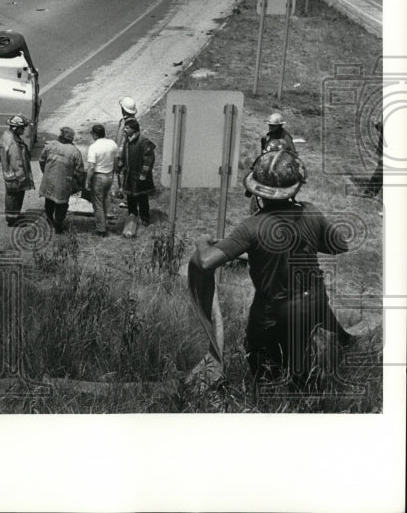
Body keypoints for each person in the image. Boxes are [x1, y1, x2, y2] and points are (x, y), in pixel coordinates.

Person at [191, 150, 353, 387]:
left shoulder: (251, 227)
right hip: (316, 304)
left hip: (273, 313)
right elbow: (339, 245)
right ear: (296, 187)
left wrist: (203, 241)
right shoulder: (311, 212)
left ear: (255, 191)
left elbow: (206, 262)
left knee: (264, 371)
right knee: (305, 372)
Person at [38, 126, 85, 234]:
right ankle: (58, 226)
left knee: (49, 201)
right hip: (64, 184)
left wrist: (46, 172)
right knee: (61, 205)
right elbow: (79, 171)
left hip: (49, 181)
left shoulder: (50, 145)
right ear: (71, 138)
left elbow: (41, 160)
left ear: (60, 136)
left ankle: (49, 221)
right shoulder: (75, 151)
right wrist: (78, 183)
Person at [118, 118, 156, 229]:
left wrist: (143, 174)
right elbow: (123, 155)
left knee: (142, 199)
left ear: (134, 130)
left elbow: (149, 159)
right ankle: (132, 218)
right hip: (129, 176)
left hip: (140, 176)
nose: (124, 129)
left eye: (127, 128)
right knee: (130, 198)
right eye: (125, 127)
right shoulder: (127, 140)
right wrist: (120, 165)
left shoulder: (144, 141)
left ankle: (145, 219)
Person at [85, 124, 119, 237]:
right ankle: (104, 223)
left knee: (97, 203)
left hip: (99, 176)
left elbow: (91, 167)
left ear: (95, 134)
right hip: (109, 176)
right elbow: (116, 160)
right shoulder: (112, 143)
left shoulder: (94, 147)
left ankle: (101, 229)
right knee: (105, 200)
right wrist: (113, 172)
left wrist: (87, 181)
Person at [0, 115, 34, 227]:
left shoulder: (7, 135)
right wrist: (22, 177)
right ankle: (12, 220)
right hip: (15, 175)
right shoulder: (13, 142)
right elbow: (17, 161)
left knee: (12, 195)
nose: (24, 130)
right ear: (15, 128)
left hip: (9, 173)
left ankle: (13, 217)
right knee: (15, 197)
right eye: (22, 128)